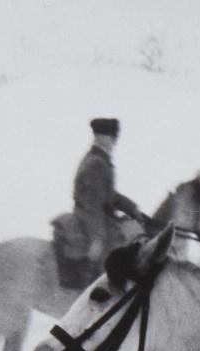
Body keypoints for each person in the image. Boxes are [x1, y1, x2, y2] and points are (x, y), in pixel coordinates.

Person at [62, 118, 150, 288]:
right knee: (123, 247)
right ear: (99, 137)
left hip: (99, 217)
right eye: (110, 138)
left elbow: (108, 194)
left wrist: (132, 209)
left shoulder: (100, 160)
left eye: (114, 138)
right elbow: (91, 205)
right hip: (90, 219)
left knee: (135, 232)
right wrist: (97, 238)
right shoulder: (96, 163)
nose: (113, 142)